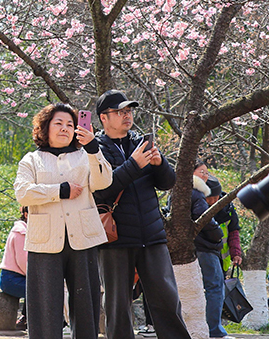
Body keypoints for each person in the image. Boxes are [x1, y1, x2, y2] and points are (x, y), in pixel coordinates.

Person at [92, 89, 189, 339]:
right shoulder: (95, 149)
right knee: (118, 306)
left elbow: (168, 182)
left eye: (129, 111)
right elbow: (103, 190)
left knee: (167, 299)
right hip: (116, 239)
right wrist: (134, 165)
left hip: (152, 234)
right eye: (120, 112)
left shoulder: (139, 141)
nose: (127, 116)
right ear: (104, 117)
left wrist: (160, 164)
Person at [15, 103, 112, 339]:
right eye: (58, 123)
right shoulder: (31, 159)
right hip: (44, 240)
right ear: (45, 128)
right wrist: (59, 190)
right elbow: (22, 193)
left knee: (86, 306)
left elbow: (104, 181)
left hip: (83, 238)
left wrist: (93, 148)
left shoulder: (85, 155)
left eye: (70, 124)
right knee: (44, 307)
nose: (64, 128)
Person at [190, 167, 227, 339]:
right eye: (201, 172)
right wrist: (218, 234)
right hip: (205, 248)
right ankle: (215, 330)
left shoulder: (181, 192)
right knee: (215, 287)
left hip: (191, 250)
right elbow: (203, 219)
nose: (205, 176)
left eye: (206, 172)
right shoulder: (197, 194)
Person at [0, 207, 28, 330]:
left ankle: (25, 318)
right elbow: (24, 262)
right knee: (41, 290)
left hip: (21, 277)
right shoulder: (20, 232)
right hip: (12, 279)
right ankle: (26, 320)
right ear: (26, 215)